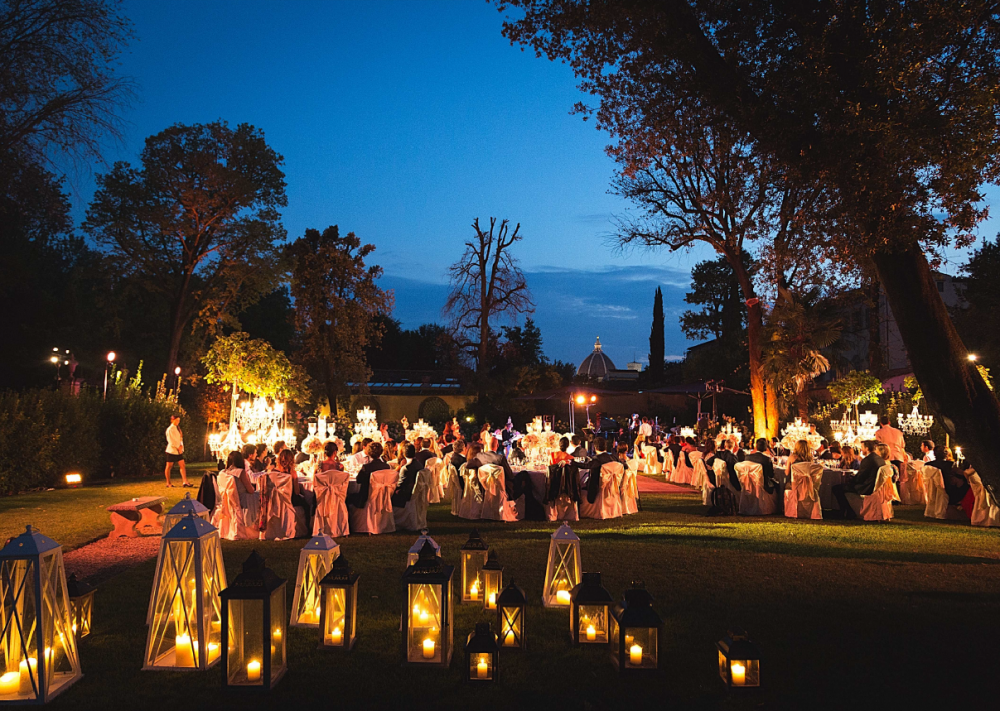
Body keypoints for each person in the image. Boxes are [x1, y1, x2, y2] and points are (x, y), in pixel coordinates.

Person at [831, 440, 885, 519]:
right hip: (875, 486)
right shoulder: (879, 459)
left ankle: (847, 511)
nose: (861, 449)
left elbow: (860, 477)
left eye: (862, 447)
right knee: (841, 487)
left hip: (866, 487)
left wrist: (851, 480)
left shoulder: (867, 460)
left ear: (867, 448)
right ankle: (846, 511)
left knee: (836, 488)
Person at [218, 450, 260, 528]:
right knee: (263, 495)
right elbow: (250, 490)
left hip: (230, 499)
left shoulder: (223, 473)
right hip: (243, 499)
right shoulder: (240, 472)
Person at [346, 442, 390, 509]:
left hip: (366, 498)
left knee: (347, 497)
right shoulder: (386, 466)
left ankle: (349, 519)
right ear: (381, 452)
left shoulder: (366, 467)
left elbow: (358, 480)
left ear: (369, 453)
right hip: (382, 497)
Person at [578, 437, 616, 504]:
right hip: (614, 486)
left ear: (595, 447)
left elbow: (586, 466)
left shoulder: (597, 459)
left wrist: (572, 463)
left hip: (597, 488)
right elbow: (624, 466)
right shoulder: (613, 457)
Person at [164, 414, 190, 488]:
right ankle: (168, 483)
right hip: (172, 450)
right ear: (172, 420)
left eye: (179, 420)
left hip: (178, 450)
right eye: (176, 420)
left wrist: (181, 446)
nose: (178, 422)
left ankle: (185, 481)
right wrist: (178, 447)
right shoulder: (170, 429)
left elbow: (180, 438)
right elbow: (171, 440)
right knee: (169, 466)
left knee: (182, 465)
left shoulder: (177, 428)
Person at [392, 443, 420, 508]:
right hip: (415, 491)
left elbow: (399, 484)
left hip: (406, 494)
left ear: (404, 454)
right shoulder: (419, 464)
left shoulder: (406, 468)